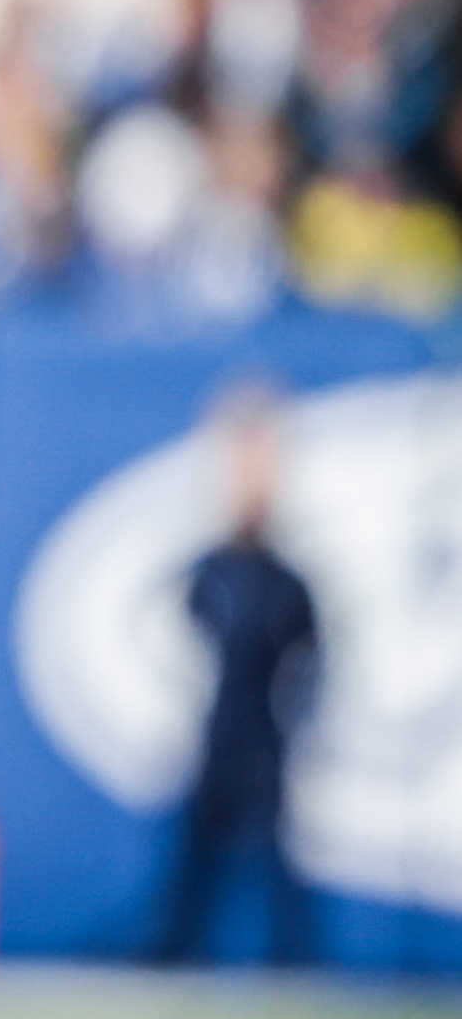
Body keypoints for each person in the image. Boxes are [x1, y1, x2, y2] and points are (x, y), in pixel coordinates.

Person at [154, 383, 320, 966]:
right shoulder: (208, 576)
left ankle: (292, 965)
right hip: (217, 729)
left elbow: (308, 662)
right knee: (193, 862)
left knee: (276, 864)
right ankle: (172, 956)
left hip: (264, 733)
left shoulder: (285, 584)